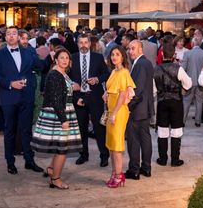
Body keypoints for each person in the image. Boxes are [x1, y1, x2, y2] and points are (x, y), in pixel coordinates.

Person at [0, 26, 46, 175]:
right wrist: (10, 84)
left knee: (27, 130)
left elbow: (40, 66)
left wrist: (51, 56)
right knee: (9, 131)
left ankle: (29, 160)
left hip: (26, 96)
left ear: (19, 37)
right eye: (8, 34)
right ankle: (10, 162)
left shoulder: (28, 52)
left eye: (14, 34)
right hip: (8, 97)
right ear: (5, 37)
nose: (11, 36)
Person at [31, 48, 82, 189]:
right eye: (62, 58)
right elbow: (55, 99)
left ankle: (51, 169)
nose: (65, 60)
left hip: (63, 111)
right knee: (62, 149)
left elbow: (64, 93)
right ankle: (55, 179)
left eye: (67, 58)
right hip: (58, 115)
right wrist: (63, 119)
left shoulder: (63, 74)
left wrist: (75, 101)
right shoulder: (54, 75)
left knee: (60, 146)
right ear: (56, 60)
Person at [69, 34, 111, 167]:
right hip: (79, 96)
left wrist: (98, 79)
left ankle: (104, 155)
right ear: (78, 44)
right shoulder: (72, 58)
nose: (83, 45)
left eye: (85, 42)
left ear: (89, 44)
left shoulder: (98, 58)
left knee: (99, 128)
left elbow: (106, 73)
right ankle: (83, 154)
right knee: (81, 128)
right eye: (80, 42)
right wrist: (71, 85)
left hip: (95, 96)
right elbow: (67, 76)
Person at [153, 43, 192, 167]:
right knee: (176, 131)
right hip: (176, 102)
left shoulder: (156, 68)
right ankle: (175, 160)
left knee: (162, 131)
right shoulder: (178, 68)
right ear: (174, 55)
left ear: (162, 54)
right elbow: (189, 83)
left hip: (162, 102)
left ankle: (162, 159)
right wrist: (182, 88)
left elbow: (153, 89)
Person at [103, 45, 136, 188]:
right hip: (111, 110)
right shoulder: (113, 72)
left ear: (122, 56)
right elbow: (112, 90)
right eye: (112, 54)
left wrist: (114, 113)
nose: (114, 57)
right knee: (111, 145)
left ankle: (119, 175)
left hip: (119, 111)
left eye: (117, 54)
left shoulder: (124, 72)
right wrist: (106, 94)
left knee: (116, 146)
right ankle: (114, 173)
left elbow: (122, 94)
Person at [125, 39, 155, 179]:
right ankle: (146, 168)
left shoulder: (141, 64)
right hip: (144, 108)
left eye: (133, 48)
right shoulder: (144, 63)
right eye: (129, 49)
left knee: (134, 140)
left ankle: (134, 170)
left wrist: (128, 106)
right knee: (145, 138)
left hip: (138, 109)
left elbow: (138, 91)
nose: (130, 51)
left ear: (140, 49)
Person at [180, 35, 203, 126]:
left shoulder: (187, 54)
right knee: (199, 101)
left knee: (186, 101)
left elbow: (183, 68)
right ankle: (198, 121)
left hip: (189, 81)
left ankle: (183, 121)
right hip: (201, 81)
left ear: (192, 44)